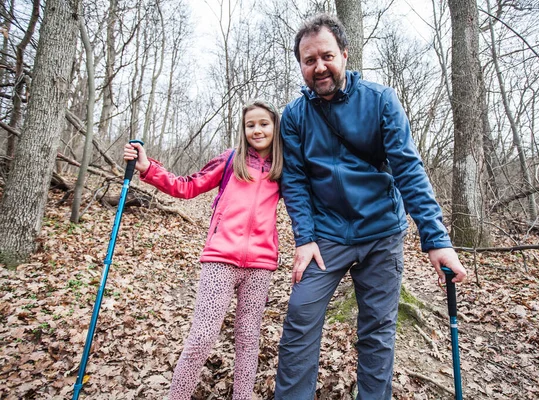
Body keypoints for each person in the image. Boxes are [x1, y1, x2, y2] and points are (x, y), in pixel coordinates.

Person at [274, 13, 468, 400]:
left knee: (378, 332)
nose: (319, 67)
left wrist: (437, 239)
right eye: (309, 61)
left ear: (344, 54)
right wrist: (305, 238)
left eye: (326, 56)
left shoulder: (380, 101)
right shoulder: (294, 116)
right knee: (301, 317)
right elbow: (293, 181)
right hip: (327, 235)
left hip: (382, 232)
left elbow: (409, 169)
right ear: (301, 66)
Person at [123, 100, 283, 400]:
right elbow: (186, 186)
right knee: (202, 337)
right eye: (251, 125)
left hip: (261, 264)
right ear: (243, 128)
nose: (257, 130)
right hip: (220, 260)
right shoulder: (231, 160)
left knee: (248, 340)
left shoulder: (282, 167)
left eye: (264, 123)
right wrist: (147, 168)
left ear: (275, 126)